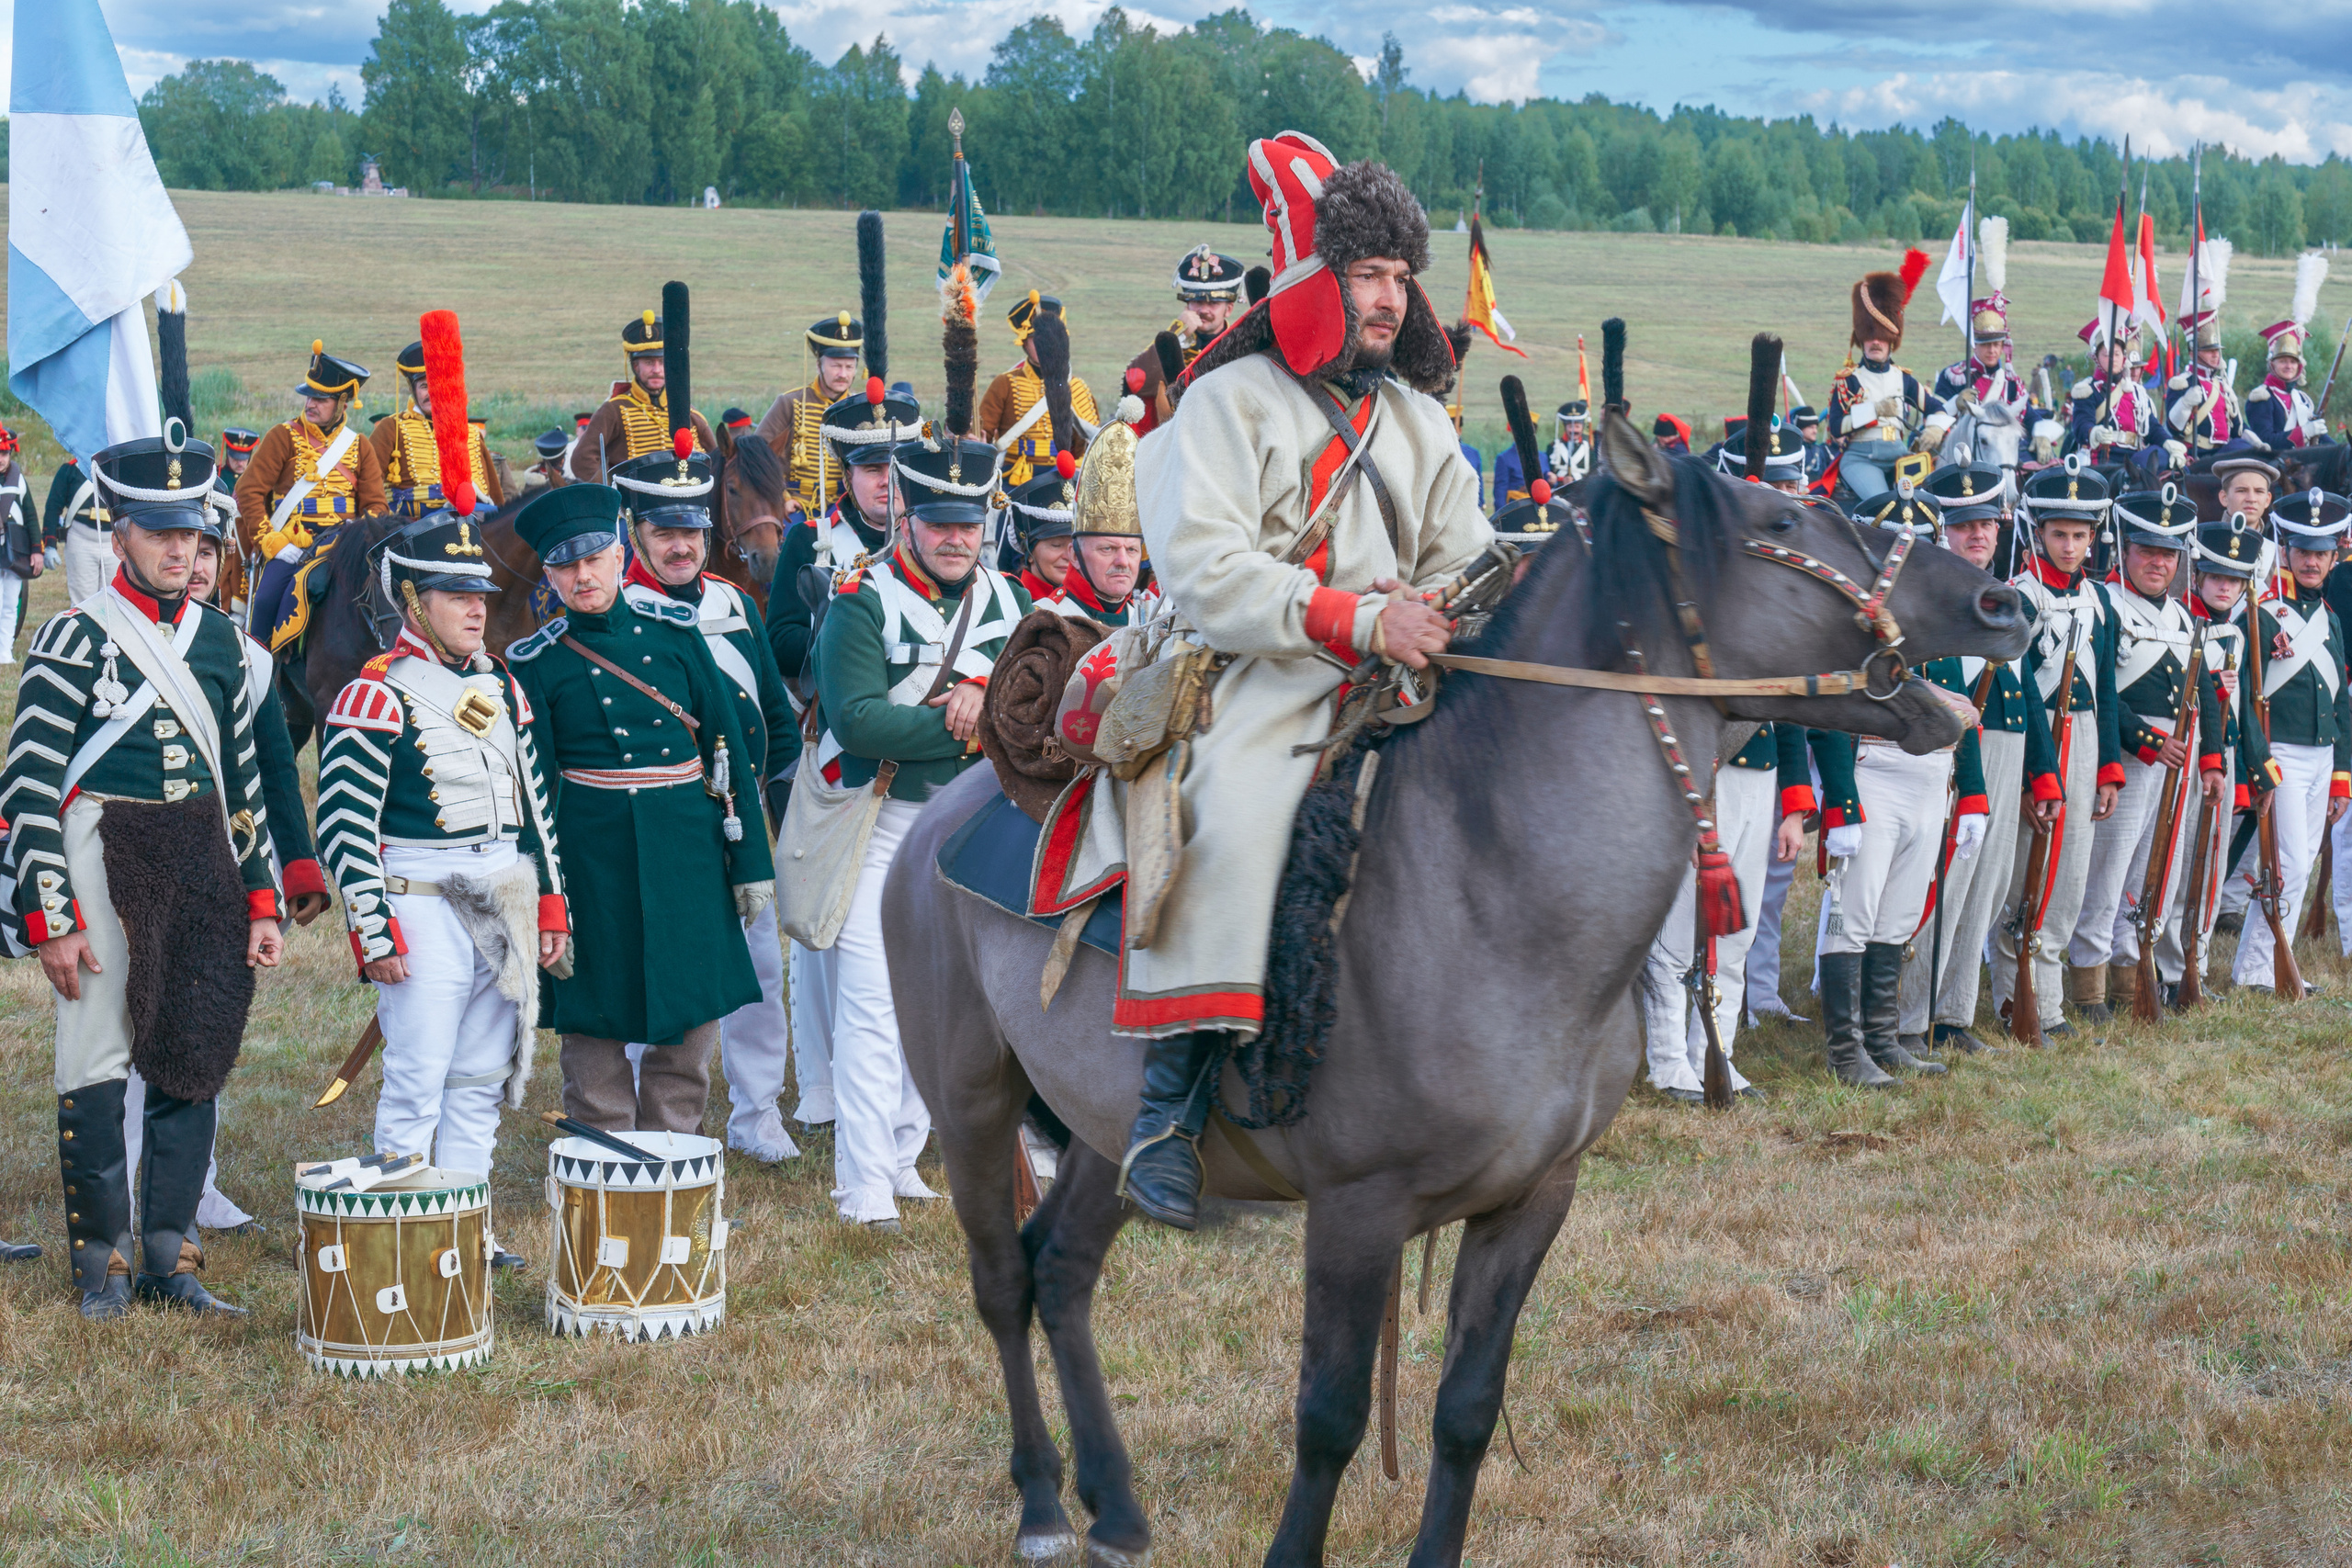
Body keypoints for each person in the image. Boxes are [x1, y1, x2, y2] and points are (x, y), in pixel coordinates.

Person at [1125, 134, 1491, 1226]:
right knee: (1236, 819)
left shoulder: (1417, 419)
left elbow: (1463, 552)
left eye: (1399, 277)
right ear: (1316, 281)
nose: (1390, 301)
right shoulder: (1226, 402)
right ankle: (1167, 1108)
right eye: (1368, 275)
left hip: (1401, 676)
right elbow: (1205, 571)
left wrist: (1449, 602)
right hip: (1260, 672)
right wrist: (1357, 615)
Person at [0, 434, 288, 1319]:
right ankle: (104, 1264)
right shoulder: (73, 635)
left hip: (198, 851)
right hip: (101, 850)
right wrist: (52, 918)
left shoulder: (223, 642)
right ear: (118, 532)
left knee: (191, 1049)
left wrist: (262, 897)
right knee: (96, 1057)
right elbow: (28, 785)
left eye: (189, 533)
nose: (177, 549)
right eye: (157, 532)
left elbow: (241, 782)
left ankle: (170, 1255)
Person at [317, 509, 566, 1239]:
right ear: (414, 602)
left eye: (479, 594)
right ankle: (404, 1239)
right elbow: (344, 826)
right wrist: (374, 929)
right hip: (419, 901)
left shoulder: (505, 688)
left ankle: (465, 1231)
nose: (476, 609)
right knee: (417, 1081)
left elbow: (535, 807)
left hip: (502, 898)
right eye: (456, 595)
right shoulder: (374, 694)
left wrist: (551, 903)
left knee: (481, 1081)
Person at [810, 430, 1031, 1228]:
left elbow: (1038, 701)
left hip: (975, 828)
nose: (955, 539)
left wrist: (986, 693)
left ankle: (904, 1158)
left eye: (968, 523)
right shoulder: (860, 599)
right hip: (883, 822)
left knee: (950, 1006)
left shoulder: (1012, 601)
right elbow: (859, 721)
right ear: (905, 517)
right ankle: (863, 1183)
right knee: (873, 1006)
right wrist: (970, 723)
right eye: (939, 522)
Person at [507, 482, 774, 1134]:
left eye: (594, 559)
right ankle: (604, 1143)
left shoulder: (675, 634)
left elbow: (726, 747)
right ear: (550, 576)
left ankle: (673, 1141)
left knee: (692, 992)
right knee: (595, 998)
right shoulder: (538, 663)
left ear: (619, 553)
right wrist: (545, 895)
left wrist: (750, 863)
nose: (583, 576)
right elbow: (533, 794)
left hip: (686, 844)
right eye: (566, 566)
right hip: (591, 854)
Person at [610, 441, 803, 1164]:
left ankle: (757, 1111)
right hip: (654, 828)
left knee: (760, 972)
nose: (682, 546)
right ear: (635, 533)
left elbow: (776, 719)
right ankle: (643, 1107)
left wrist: (784, 813)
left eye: (691, 529)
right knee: (658, 973)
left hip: (740, 819)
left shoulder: (734, 604)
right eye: (665, 531)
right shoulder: (613, 610)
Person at [1809, 489, 1985, 1084]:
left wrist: (1973, 793)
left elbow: (1966, 714)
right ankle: (1845, 1049)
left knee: (1899, 915)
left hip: (1931, 777)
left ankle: (1882, 1039)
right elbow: (1831, 716)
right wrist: (1842, 802)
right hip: (1875, 773)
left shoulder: (1940, 617)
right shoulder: (1849, 621)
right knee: (1854, 912)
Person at [1898, 464, 2062, 1055]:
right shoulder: (1930, 601)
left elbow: (2031, 699)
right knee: (1942, 886)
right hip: (1956, 756)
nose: (1977, 535)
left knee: (1985, 889)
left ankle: (1953, 1012)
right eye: (1963, 525)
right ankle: (1908, 1015)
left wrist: (2043, 775)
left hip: (2007, 752)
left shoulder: (2005, 600)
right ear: (1942, 531)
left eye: (1986, 524)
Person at [2062, 488, 2225, 1019]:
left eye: (2168, 554)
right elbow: (2100, 687)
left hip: (2179, 760)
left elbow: (2204, 693)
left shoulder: (2183, 616)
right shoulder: (2105, 603)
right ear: (2125, 550)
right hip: (2131, 755)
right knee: (2108, 872)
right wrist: (2149, 741)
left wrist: (2211, 759)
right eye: (2147, 551)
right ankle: (2089, 983)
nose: (2158, 563)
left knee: (2157, 874)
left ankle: (2131, 976)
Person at [1991, 460, 2124, 1037]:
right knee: (2025, 875)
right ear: (2038, 533)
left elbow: (2107, 690)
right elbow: (2018, 695)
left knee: (2068, 877)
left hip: (2086, 739)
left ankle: (2049, 1002)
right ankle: (2013, 996)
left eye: (2079, 535)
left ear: (2093, 537)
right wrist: (2032, 776)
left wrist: (2109, 767)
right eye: (2059, 534)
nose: (2070, 547)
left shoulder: (2100, 601)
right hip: (2036, 737)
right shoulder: (2019, 598)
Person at [1639, 717, 1810, 1104]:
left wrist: (1795, 810)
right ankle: (1668, 1064)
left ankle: (1714, 1057)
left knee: (1736, 937)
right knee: (1679, 934)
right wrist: (1687, 805)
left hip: (1762, 783)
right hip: (1710, 780)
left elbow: (1788, 719)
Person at [2228, 488, 2351, 991]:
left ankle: (2266, 968)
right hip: (2280, 755)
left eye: (2321, 553)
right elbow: (2240, 695)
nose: (2312, 562)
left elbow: (2340, 702)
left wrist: (2341, 775)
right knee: (2290, 866)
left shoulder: (2330, 618)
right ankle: (2255, 970)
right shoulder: (2259, 613)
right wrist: (2259, 762)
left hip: (2323, 756)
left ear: (2334, 557)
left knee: (2299, 866)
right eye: (2303, 551)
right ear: (2287, 551)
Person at [2175, 520, 2275, 984]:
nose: (2224, 587)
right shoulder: (2181, 624)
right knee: (2181, 865)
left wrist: (2261, 771)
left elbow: (2245, 709)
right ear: (2197, 577)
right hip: (2190, 757)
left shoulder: (2234, 633)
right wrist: (2211, 687)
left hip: (2227, 756)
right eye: (2216, 577)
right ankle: (2168, 966)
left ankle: (2194, 963)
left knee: (2213, 867)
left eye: (2233, 580)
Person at [234, 342, 389, 641]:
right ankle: (258, 661)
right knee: (265, 601)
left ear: (342, 403)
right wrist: (272, 541)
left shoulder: (360, 446)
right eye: (308, 396)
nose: (310, 404)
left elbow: (376, 507)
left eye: (320, 399)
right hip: (293, 542)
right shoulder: (283, 436)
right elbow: (249, 490)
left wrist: (357, 538)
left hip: (343, 543)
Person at [567, 309, 718, 486]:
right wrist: (612, 490)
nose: (656, 369)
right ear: (635, 366)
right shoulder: (614, 410)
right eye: (649, 362)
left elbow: (716, 459)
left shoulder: (689, 412)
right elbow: (582, 459)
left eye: (662, 362)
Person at [1039, 410, 1159, 627]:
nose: (1123, 561)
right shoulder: (1045, 622)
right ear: (1074, 555)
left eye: (1132, 550)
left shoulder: (1149, 622)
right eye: (1107, 549)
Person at [1826, 252, 1930, 500]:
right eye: (1870, 336)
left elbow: (1936, 408)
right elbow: (1836, 425)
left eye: (1882, 337)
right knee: (1882, 505)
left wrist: (1937, 428)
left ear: (1891, 341)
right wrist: (1875, 410)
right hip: (1862, 457)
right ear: (1861, 339)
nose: (1876, 342)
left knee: (1926, 502)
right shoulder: (1848, 379)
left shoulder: (1903, 378)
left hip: (1900, 455)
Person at [371, 341, 506, 520]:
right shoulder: (391, 427)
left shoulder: (471, 433)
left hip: (470, 517)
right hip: (413, 522)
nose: (432, 393)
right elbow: (369, 483)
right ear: (412, 390)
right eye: (424, 386)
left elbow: (494, 494)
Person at [978, 292, 1101, 476]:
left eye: (1051, 338)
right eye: (1037, 339)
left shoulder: (1078, 387)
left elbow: (1092, 444)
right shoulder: (1004, 384)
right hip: (1017, 475)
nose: (1045, 345)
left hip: (1065, 475)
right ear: (1024, 343)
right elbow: (981, 434)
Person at [755, 313, 865, 520]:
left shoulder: (859, 408)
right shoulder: (789, 402)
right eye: (836, 365)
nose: (843, 374)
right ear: (819, 365)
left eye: (849, 367)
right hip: (795, 504)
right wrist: (782, 497)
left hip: (844, 506)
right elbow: (759, 454)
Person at [1130, 245, 1246, 434]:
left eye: (1213, 303)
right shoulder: (1173, 338)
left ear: (1229, 309)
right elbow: (1136, 380)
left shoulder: (1242, 348)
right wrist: (1177, 332)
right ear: (1187, 305)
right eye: (1197, 302)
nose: (1204, 310)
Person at [2064, 325, 2161, 465]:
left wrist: (2168, 443)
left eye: (2117, 354)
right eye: (2106, 355)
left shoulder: (2137, 392)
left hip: (2135, 459)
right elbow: (2081, 425)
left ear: (2123, 358)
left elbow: (2153, 428)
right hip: (2104, 459)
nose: (2113, 359)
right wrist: (2094, 432)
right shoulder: (2088, 390)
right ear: (2096, 357)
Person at [2167, 301, 2245, 459]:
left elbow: (2237, 428)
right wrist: (2185, 404)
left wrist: (2255, 442)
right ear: (2192, 353)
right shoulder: (2181, 383)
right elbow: (2173, 428)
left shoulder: (2222, 385)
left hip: (2224, 451)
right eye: (2209, 350)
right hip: (2197, 453)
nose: (2215, 354)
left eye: (2217, 350)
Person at [2245, 313, 2330, 451]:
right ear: (2272, 364)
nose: (2289, 366)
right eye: (2283, 361)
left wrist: (2343, 450)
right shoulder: (2261, 397)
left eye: (2293, 361)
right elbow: (2265, 441)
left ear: (2299, 366)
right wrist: (2303, 433)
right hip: (2274, 462)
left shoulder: (2302, 399)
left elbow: (2321, 438)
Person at [0, 425, 40, 658]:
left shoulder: (18, 479)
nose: (1, 459)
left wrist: (36, 550)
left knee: (9, 604)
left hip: (14, 548)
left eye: (4, 453)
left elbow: (31, 516)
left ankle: (5, 653)